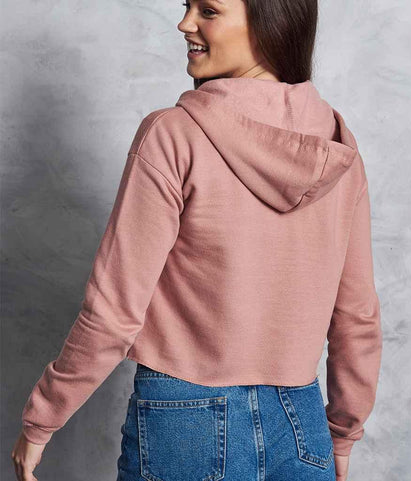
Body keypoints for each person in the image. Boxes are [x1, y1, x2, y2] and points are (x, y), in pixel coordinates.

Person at [12, 1, 383, 480]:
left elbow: (114, 312)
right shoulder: (338, 148)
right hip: (301, 425)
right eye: (186, 6)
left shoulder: (173, 135)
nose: (184, 23)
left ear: (271, 21)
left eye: (208, 10)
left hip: (184, 416)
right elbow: (357, 316)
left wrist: (42, 419)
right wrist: (342, 433)